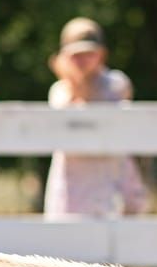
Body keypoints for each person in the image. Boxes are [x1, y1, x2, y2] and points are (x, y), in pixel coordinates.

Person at [43, 18, 145, 219]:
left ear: (102, 55)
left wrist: (74, 78)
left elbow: (94, 101)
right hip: (71, 192)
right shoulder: (59, 90)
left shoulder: (117, 83)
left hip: (111, 188)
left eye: (88, 54)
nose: (82, 61)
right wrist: (70, 80)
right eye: (75, 55)